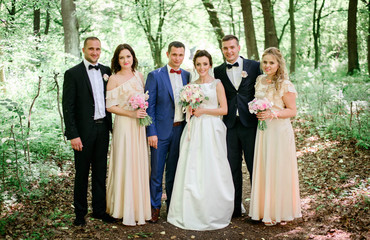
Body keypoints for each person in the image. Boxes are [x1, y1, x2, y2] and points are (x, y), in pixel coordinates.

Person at [167, 50, 234, 230]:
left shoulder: (217, 84)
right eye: (198, 64)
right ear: (195, 66)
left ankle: (214, 207)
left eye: (205, 64)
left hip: (212, 128)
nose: (202, 67)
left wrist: (204, 111)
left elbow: (224, 109)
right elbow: (188, 108)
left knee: (212, 165)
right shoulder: (191, 85)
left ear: (210, 65)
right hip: (195, 128)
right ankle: (191, 208)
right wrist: (191, 108)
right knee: (193, 166)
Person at [62, 37, 115, 226]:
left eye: (98, 49)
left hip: (103, 129)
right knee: (82, 173)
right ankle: (80, 213)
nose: (94, 52)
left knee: (100, 172)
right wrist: (73, 135)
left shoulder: (107, 72)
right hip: (83, 133)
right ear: (83, 49)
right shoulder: (73, 73)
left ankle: (99, 211)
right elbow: (68, 107)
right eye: (91, 49)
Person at [248, 47, 302, 226]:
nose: (267, 65)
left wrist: (273, 114)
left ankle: (280, 210)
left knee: (278, 168)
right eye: (265, 62)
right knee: (265, 167)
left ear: (278, 64)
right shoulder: (259, 80)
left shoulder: (285, 84)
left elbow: (292, 111)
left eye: (271, 62)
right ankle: (264, 210)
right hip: (263, 131)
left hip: (279, 131)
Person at [214, 35, 262, 218]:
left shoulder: (254, 66)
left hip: (250, 124)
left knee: (254, 166)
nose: (229, 51)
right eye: (225, 48)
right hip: (229, 126)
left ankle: (259, 208)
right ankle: (234, 208)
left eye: (232, 47)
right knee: (232, 167)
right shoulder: (218, 71)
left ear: (239, 47)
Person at [105, 44, 151, 225]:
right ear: (117, 60)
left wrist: (141, 110)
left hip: (139, 126)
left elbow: (145, 99)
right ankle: (121, 208)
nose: (126, 60)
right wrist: (131, 113)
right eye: (122, 57)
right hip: (124, 125)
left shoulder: (139, 76)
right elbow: (110, 106)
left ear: (133, 58)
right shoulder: (114, 79)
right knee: (125, 161)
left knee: (138, 163)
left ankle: (139, 207)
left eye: (128, 56)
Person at [145, 41, 190, 223]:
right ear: (167, 54)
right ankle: (154, 207)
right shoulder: (155, 75)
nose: (177, 58)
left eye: (180, 55)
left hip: (181, 130)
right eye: (174, 54)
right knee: (157, 171)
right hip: (160, 132)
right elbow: (150, 107)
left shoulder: (187, 75)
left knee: (174, 171)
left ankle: (172, 206)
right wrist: (151, 132)